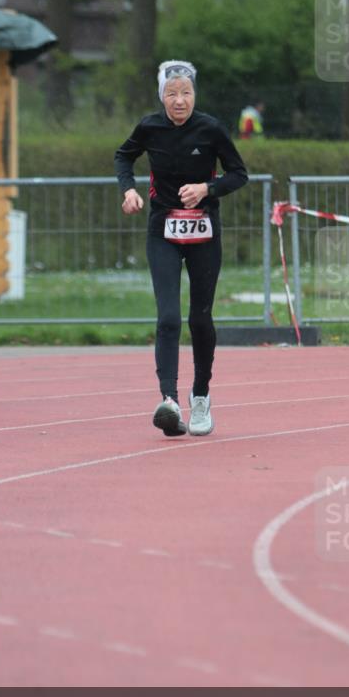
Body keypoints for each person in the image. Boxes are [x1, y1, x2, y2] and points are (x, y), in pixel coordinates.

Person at [115, 60, 248, 437]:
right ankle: (169, 401)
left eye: (186, 92)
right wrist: (128, 188)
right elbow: (124, 155)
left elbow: (239, 173)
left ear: (194, 95)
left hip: (204, 232)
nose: (179, 100)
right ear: (162, 96)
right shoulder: (149, 127)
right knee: (169, 317)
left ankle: (201, 395)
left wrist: (208, 189)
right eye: (171, 93)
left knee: (200, 319)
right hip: (163, 231)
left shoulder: (211, 129)